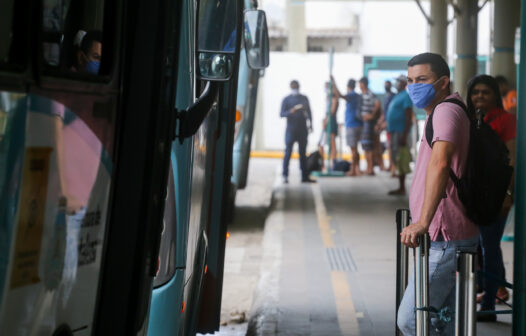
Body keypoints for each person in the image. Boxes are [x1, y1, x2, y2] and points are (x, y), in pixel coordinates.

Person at [397, 53, 479, 335]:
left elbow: (441, 163)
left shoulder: (445, 111)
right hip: (449, 235)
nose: (414, 86)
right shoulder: (444, 111)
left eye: (422, 80)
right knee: (443, 320)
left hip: (445, 237)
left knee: (411, 320)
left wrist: (422, 221)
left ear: (443, 82)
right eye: (410, 81)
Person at [466, 74, 516, 322]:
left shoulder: (506, 121)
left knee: (489, 246)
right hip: (472, 194)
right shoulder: (468, 121)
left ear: (496, 95)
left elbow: (513, 160)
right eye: (476, 92)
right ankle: (485, 294)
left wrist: (507, 194)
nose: (480, 97)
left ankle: (488, 305)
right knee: (476, 247)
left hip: (496, 195)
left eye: (486, 92)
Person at [280, 80, 315, 184]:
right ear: (291, 87)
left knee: (303, 154)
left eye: (296, 87)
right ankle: (285, 175)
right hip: (291, 130)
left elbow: (309, 112)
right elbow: (281, 114)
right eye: (293, 87)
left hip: (302, 130)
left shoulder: (304, 98)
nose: (295, 89)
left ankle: (304, 176)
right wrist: (290, 112)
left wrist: (311, 124)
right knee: (288, 153)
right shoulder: (286, 99)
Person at [386, 75, 413, 195]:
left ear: (403, 83)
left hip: (401, 132)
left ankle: (402, 187)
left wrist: (404, 135)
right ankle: (400, 186)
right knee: (396, 157)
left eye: (398, 81)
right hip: (394, 131)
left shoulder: (406, 97)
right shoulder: (397, 96)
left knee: (401, 159)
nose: (396, 83)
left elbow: (408, 117)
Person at [331, 77, 362, 176]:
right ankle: (357, 169)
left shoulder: (352, 95)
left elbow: (339, 95)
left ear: (348, 86)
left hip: (352, 125)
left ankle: (353, 170)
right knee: (356, 149)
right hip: (358, 124)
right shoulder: (358, 96)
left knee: (353, 150)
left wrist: (333, 82)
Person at [358, 77, 381, 175]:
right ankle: (368, 167)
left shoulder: (370, 94)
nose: (359, 86)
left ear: (364, 84)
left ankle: (371, 168)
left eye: (360, 84)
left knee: (369, 146)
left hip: (368, 123)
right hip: (362, 123)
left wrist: (371, 115)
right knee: (365, 146)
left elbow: (378, 104)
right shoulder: (361, 95)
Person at [325, 81, 339, 164]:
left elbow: (332, 111)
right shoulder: (329, 99)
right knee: (330, 143)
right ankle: (331, 162)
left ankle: (333, 163)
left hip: (332, 122)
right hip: (329, 121)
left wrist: (326, 120)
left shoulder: (334, 99)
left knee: (333, 144)